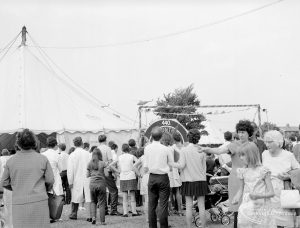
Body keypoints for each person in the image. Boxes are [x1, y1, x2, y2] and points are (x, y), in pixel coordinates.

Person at [201, 119, 256, 228]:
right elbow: (219, 151)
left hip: (250, 179)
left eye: (243, 132)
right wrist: (206, 148)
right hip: (236, 180)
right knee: (237, 208)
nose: (240, 134)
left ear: (248, 133)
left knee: (250, 207)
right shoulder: (233, 145)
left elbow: (256, 163)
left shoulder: (253, 146)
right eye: (239, 132)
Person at [1, 129, 54, 228]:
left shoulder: (11, 161)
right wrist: (44, 188)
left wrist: (16, 187)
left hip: (19, 201)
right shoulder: (43, 159)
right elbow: (50, 180)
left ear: (18, 144)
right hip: (39, 201)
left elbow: (4, 182)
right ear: (34, 142)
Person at [232, 143, 276, 227]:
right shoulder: (242, 171)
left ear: (251, 154)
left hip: (262, 207)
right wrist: (237, 197)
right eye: (240, 155)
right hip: (248, 206)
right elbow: (241, 189)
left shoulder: (263, 171)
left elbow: (272, 193)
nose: (241, 158)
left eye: (243, 155)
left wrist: (258, 195)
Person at [262, 130, 300, 227]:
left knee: (286, 223)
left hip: (284, 194)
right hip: (268, 193)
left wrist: (288, 176)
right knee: (270, 222)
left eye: (270, 142)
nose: (267, 144)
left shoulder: (288, 155)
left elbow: (298, 171)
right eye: (266, 142)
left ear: (278, 142)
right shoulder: (264, 154)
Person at [172, 129, 208, 228]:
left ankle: (189, 227)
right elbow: (204, 169)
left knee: (188, 206)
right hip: (200, 180)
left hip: (188, 180)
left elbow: (181, 165)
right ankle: (203, 226)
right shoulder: (202, 150)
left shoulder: (184, 150)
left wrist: (171, 163)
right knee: (201, 206)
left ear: (188, 138)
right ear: (198, 138)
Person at [144, 127, 176, 228]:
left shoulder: (147, 148)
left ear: (152, 137)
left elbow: (145, 166)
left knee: (151, 205)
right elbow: (171, 165)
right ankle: (163, 226)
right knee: (163, 205)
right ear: (161, 136)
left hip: (152, 177)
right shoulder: (166, 149)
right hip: (163, 177)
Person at [87, 148, 118, 225]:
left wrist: (93, 173)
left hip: (92, 184)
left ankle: (93, 218)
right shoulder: (103, 163)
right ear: (100, 155)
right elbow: (107, 174)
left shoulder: (89, 163)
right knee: (101, 203)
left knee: (93, 202)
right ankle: (102, 221)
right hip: (101, 184)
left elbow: (87, 175)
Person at [110, 144, 140, 217]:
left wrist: (118, 171)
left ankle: (125, 212)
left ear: (122, 150)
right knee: (132, 195)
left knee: (125, 196)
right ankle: (134, 212)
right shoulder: (132, 156)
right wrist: (134, 168)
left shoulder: (119, 157)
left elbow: (110, 165)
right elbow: (139, 161)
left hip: (123, 177)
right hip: (131, 176)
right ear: (129, 149)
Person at [67, 136, 92, 221]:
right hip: (87, 177)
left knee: (75, 196)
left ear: (74, 144)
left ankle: (74, 213)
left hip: (76, 178)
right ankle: (90, 214)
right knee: (88, 196)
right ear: (82, 143)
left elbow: (70, 170)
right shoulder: (88, 154)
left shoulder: (72, 155)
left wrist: (70, 181)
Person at [98, 134, 120, 216]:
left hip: (99, 172)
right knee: (113, 190)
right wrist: (115, 172)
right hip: (107, 171)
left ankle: (104, 210)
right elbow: (110, 162)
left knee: (102, 192)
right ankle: (113, 210)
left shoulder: (96, 149)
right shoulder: (107, 148)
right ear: (105, 140)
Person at [0, 149, 13, 228]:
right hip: (9, 183)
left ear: (2, 153)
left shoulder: (0, 158)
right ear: (8, 153)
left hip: (1, 181)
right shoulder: (11, 158)